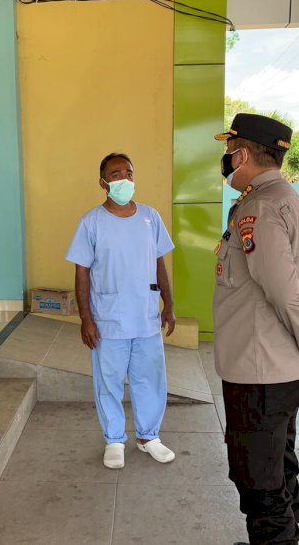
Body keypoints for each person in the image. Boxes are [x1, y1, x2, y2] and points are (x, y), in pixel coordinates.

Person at [213, 114, 299, 545]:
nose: (225, 159)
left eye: (229, 151)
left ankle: (276, 540)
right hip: (270, 365)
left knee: (258, 479)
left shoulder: (259, 205)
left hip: (259, 369)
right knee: (277, 464)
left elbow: (284, 291)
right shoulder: (280, 197)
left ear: (241, 153)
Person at [66, 152, 176, 470]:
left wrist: (168, 304)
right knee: (108, 380)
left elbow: (159, 263)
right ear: (103, 182)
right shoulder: (91, 223)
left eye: (129, 173)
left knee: (149, 378)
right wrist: (85, 318)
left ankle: (148, 436)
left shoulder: (150, 217)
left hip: (145, 315)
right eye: (116, 174)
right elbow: (82, 272)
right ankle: (114, 439)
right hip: (108, 317)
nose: (124, 179)